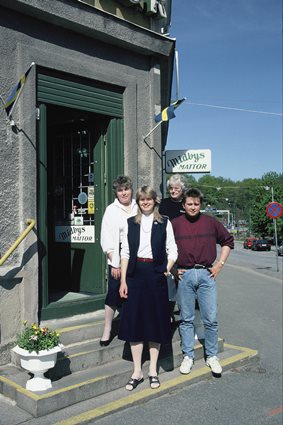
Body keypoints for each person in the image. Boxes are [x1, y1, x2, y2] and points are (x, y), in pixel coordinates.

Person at [118, 186, 178, 391]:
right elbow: (124, 252)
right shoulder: (130, 223)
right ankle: (137, 371)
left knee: (155, 322)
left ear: (155, 201)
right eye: (141, 199)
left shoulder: (165, 222)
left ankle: (153, 370)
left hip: (156, 275)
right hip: (135, 276)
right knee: (135, 324)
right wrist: (124, 281)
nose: (145, 202)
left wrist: (166, 270)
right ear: (138, 201)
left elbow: (173, 250)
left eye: (149, 199)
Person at [172, 188, 234, 376]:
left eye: (196, 204)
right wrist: (174, 270)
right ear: (183, 205)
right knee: (186, 319)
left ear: (200, 204)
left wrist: (219, 265)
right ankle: (188, 356)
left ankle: (212, 356)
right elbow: (164, 249)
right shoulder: (174, 224)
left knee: (211, 319)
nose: (193, 207)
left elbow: (228, 242)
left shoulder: (210, 222)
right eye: (189, 204)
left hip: (207, 274)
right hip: (185, 275)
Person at [100, 175, 137, 346]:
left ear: (131, 189)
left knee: (133, 293)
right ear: (116, 192)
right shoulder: (111, 210)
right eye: (120, 190)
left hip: (136, 257)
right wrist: (114, 262)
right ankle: (107, 328)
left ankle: (131, 328)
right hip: (117, 256)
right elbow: (106, 238)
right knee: (114, 293)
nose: (124, 193)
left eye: (126, 189)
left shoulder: (139, 206)